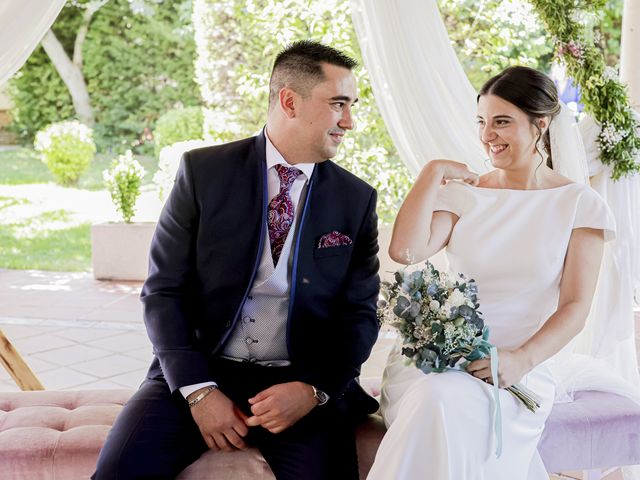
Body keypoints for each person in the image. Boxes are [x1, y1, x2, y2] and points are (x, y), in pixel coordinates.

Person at [93, 40, 380, 480]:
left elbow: (360, 315)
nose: (351, 121)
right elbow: (163, 291)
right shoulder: (203, 173)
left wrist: (314, 390)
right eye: (339, 104)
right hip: (200, 371)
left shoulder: (355, 200)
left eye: (351, 105)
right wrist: (198, 391)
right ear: (289, 101)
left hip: (299, 385)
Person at [367, 66, 615, 480]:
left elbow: (575, 307)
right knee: (433, 395)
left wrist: (521, 360)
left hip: (521, 368)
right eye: (482, 122)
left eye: (502, 122)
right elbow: (406, 250)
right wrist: (430, 174)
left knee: (440, 402)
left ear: (541, 124)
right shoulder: (466, 193)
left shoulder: (579, 205)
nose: (487, 135)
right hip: (437, 363)